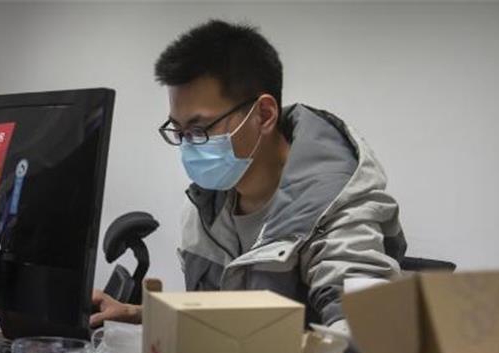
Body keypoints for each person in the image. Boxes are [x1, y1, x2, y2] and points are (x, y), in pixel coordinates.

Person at [91, 20, 405, 330]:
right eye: (179, 131)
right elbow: (219, 320)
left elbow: (366, 336)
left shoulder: (338, 206)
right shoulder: (204, 208)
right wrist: (139, 314)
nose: (188, 146)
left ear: (264, 115)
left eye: (199, 129)